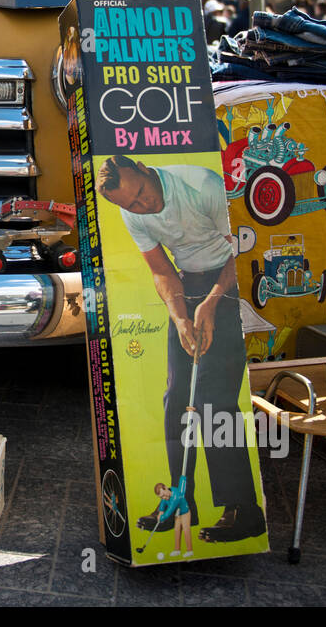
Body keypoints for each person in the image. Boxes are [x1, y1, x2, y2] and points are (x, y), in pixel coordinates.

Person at [98, 155, 266, 544]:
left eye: (142, 194)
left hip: (230, 282)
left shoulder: (203, 186)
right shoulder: (131, 212)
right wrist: (179, 316)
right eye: (132, 205)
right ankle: (180, 499)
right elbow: (161, 270)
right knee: (176, 398)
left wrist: (213, 300)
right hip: (186, 286)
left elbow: (244, 249)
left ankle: (244, 509)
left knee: (214, 400)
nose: (144, 207)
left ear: (143, 168)